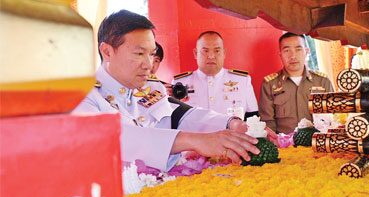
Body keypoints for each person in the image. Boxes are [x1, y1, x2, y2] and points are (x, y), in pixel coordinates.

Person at [72, 10, 259, 171]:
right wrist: (193, 141)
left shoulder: (152, 88)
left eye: (151, 54)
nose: (148, 64)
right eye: (139, 53)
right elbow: (113, 138)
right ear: (107, 52)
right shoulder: (79, 95)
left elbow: (183, 115)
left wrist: (230, 124)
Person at [258, 32, 334, 134]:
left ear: (306, 51)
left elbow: (333, 117)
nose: (293, 56)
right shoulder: (269, 84)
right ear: (280, 54)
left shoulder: (322, 81)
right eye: (287, 50)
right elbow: (267, 122)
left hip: (318, 143)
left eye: (298, 49)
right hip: (284, 146)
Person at [171, 31, 259, 117]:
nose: (211, 56)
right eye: (205, 51)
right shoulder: (179, 83)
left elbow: (253, 117)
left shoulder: (242, 80)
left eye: (217, 51)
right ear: (195, 53)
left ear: (224, 53)